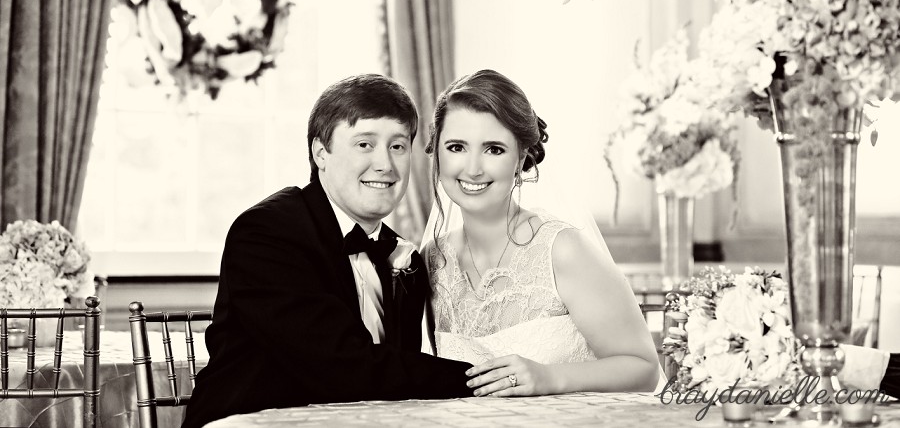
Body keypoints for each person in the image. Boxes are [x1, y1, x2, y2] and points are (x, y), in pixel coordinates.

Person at [183, 74, 473, 428]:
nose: (385, 164)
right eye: (365, 144)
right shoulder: (266, 234)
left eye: (398, 146)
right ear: (321, 153)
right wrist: (480, 378)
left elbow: (394, 377)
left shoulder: (404, 256)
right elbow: (343, 367)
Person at [421, 69, 660, 397]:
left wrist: (549, 378)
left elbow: (643, 369)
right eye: (457, 147)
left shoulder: (562, 250)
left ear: (520, 157)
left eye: (494, 149)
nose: (473, 168)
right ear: (437, 152)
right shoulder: (432, 260)